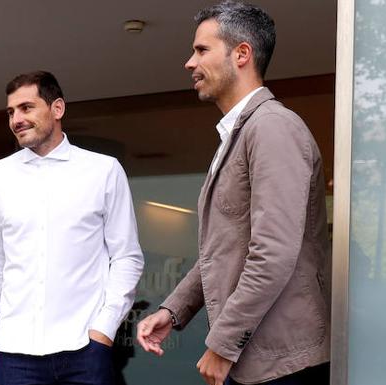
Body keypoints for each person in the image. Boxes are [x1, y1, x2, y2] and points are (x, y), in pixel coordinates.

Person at [136, 2, 330, 385]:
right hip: (258, 362)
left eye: (202, 50)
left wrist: (223, 345)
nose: (189, 63)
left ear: (242, 54)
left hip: (281, 365)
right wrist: (173, 311)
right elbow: (223, 250)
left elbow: (272, 255)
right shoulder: (241, 134)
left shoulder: (272, 128)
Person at [0, 71, 144, 385]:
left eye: (26, 108)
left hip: (84, 349)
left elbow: (127, 258)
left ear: (57, 109)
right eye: (11, 112)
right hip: (14, 352)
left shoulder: (103, 170)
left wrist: (103, 331)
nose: (16, 119)